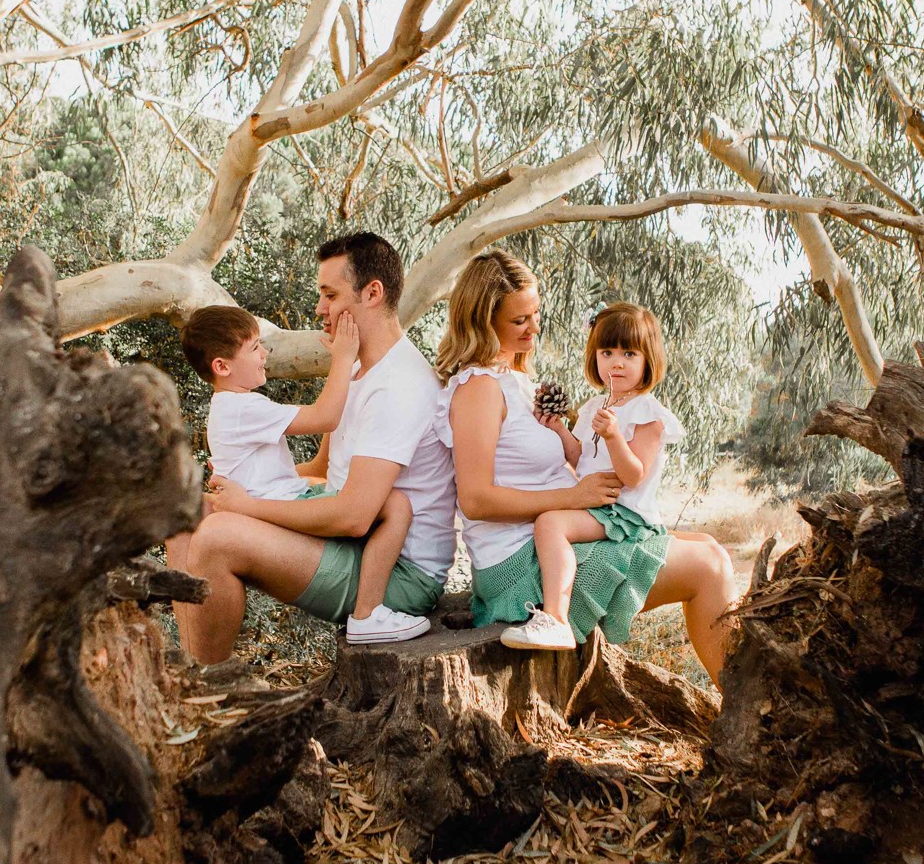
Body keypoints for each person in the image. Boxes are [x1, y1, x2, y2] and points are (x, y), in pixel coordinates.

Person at [438, 251, 738, 683]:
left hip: (556, 538)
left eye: (535, 313)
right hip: (522, 568)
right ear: (483, 321)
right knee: (709, 567)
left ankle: (742, 702)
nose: (534, 327)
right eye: (520, 320)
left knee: (710, 546)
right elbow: (475, 499)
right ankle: (742, 710)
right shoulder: (479, 390)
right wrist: (573, 497)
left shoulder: (514, 381)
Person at [182, 233, 456, 660]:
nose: (320, 308)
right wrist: (241, 484)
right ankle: (184, 677)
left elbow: (352, 516)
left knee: (217, 537)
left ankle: (208, 690)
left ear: (372, 293)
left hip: (394, 574)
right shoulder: (360, 372)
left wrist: (246, 507)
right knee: (185, 516)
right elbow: (322, 468)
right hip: (351, 543)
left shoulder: (399, 385)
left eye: (330, 295)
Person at [166, 306, 410, 641]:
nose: (264, 354)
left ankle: (191, 649)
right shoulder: (242, 408)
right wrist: (344, 358)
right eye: (254, 349)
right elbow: (325, 416)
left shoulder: (228, 408)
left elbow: (279, 472)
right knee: (396, 506)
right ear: (221, 367)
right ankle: (368, 613)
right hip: (280, 509)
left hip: (277, 499)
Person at [520, 302, 685, 649]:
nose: (617, 362)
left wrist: (613, 437)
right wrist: (561, 431)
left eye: (629, 353)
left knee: (550, 523)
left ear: (648, 361)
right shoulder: (595, 406)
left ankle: (557, 618)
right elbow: (581, 458)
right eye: (607, 352)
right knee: (547, 523)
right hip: (598, 506)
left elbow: (634, 475)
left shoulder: (647, 412)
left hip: (624, 512)